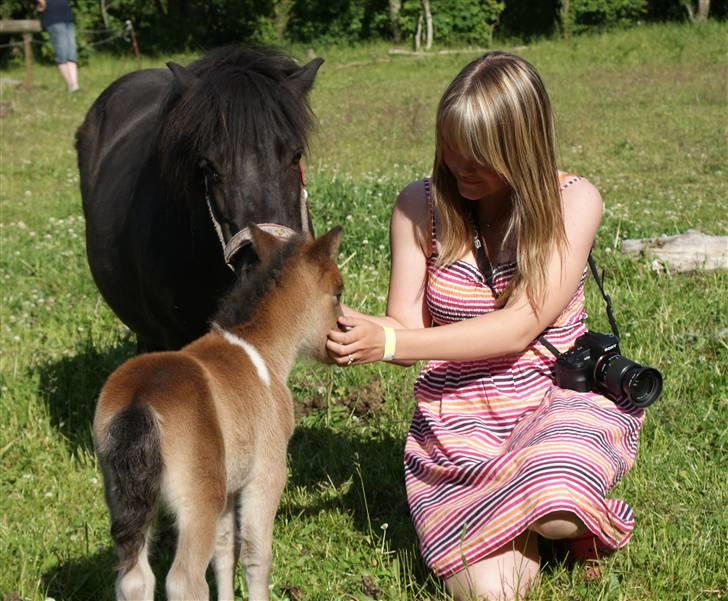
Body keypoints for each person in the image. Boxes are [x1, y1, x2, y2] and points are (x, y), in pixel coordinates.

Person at [326, 51, 644, 601]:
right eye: (450, 146)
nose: (457, 164)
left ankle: (565, 526)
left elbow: (519, 327)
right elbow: (403, 330)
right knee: (490, 594)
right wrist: (348, 330)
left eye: (478, 154)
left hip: (554, 400)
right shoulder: (416, 206)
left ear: (520, 145)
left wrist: (395, 341)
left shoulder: (573, 201)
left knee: (560, 506)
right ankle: (518, 523)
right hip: (459, 420)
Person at [36, 0, 79, 92]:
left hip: (67, 18)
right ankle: (71, 85)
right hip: (54, 20)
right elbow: (40, 5)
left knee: (71, 54)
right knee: (62, 54)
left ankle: (75, 85)